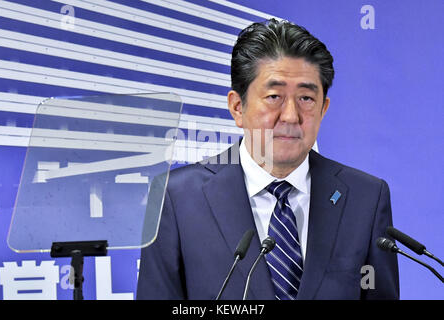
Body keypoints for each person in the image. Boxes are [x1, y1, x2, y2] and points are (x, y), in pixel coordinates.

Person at [136, 19, 399, 300]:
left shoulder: (365, 198)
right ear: (237, 107)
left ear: (324, 108)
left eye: (306, 98)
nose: (290, 116)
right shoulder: (176, 198)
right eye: (274, 96)